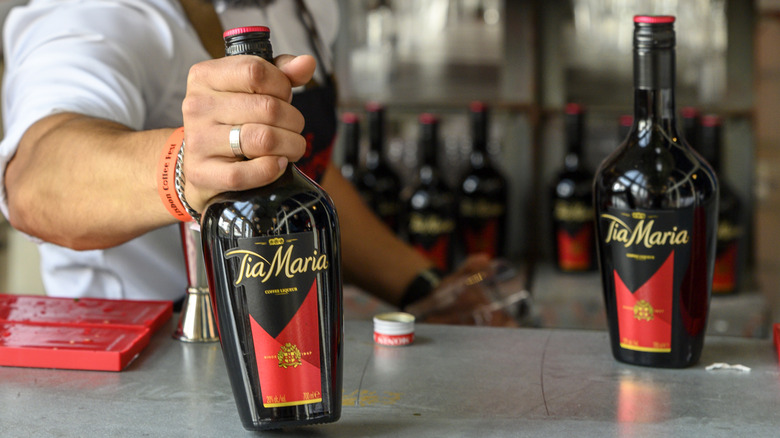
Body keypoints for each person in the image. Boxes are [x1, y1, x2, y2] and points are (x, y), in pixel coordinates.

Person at [0, 0, 507, 324]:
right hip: (152, 362)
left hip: (281, 328)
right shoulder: (97, 17)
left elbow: (303, 180)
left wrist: (423, 289)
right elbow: (35, 177)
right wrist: (187, 168)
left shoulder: (306, 9)